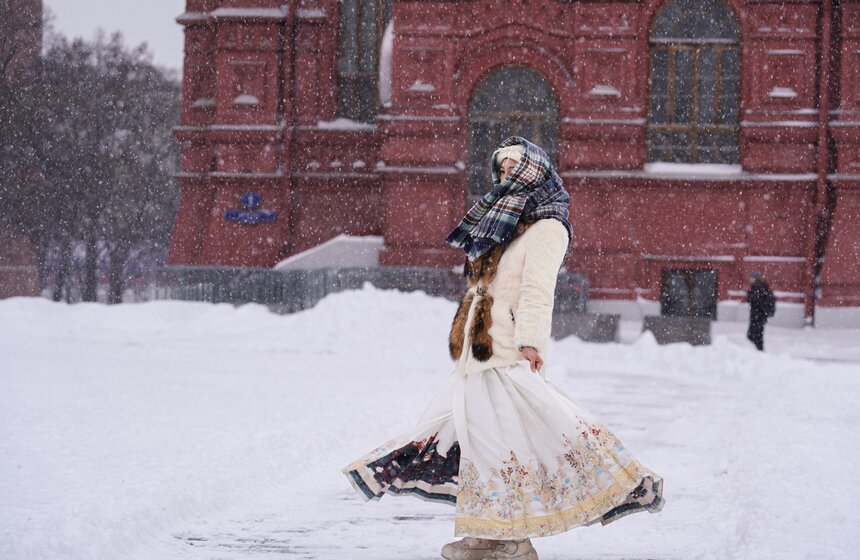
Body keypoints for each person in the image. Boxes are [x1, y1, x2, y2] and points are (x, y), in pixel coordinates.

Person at [342, 137, 663, 560]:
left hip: (509, 351)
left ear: (536, 171)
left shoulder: (548, 226)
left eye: (516, 168)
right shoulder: (507, 220)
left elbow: (537, 292)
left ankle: (513, 536)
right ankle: (487, 531)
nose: (507, 176)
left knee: (505, 444)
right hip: (479, 351)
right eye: (503, 168)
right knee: (476, 443)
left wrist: (530, 342)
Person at [746, 271, 775, 351]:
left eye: (751, 278)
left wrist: (749, 295)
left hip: (757, 315)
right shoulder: (763, 286)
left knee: (753, 335)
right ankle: (758, 350)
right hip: (760, 315)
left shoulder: (757, 287)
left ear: (755, 278)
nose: (749, 279)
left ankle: (758, 351)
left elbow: (752, 299)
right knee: (757, 335)